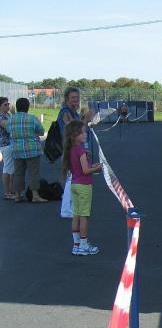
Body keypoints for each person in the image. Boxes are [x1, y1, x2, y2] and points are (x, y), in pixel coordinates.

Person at [62, 120, 102, 255]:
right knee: (84, 216)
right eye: (82, 132)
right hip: (84, 186)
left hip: (74, 184)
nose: (85, 134)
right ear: (74, 135)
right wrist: (98, 167)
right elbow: (85, 170)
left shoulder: (71, 150)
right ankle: (84, 245)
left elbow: (79, 168)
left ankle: (76, 244)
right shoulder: (81, 151)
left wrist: (92, 165)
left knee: (76, 215)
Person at [8, 98, 46, 203]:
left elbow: (8, 130)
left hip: (16, 150)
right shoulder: (32, 118)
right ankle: (35, 195)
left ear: (17, 107)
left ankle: (17, 195)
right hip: (32, 149)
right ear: (28, 107)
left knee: (18, 173)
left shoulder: (10, 119)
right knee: (34, 173)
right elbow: (41, 132)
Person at [58, 88, 82, 219]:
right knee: (71, 179)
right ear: (67, 99)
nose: (76, 100)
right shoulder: (65, 112)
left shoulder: (73, 111)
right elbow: (73, 129)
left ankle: (70, 206)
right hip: (69, 149)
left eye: (77, 97)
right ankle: (66, 209)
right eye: (73, 97)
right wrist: (86, 120)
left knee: (74, 177)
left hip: (75, 148)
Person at [0, 97, 16, 200]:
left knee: (11, 168)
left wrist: (13, 115)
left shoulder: (8, 115)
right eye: (5, 105)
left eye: (8, 104)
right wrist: (14, 117)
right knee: (7, 168)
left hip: (11, 144)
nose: (8, 106)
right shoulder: (1, 117)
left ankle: (11, 190)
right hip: (5, 145)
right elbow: (9, 127)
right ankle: (7, 192)